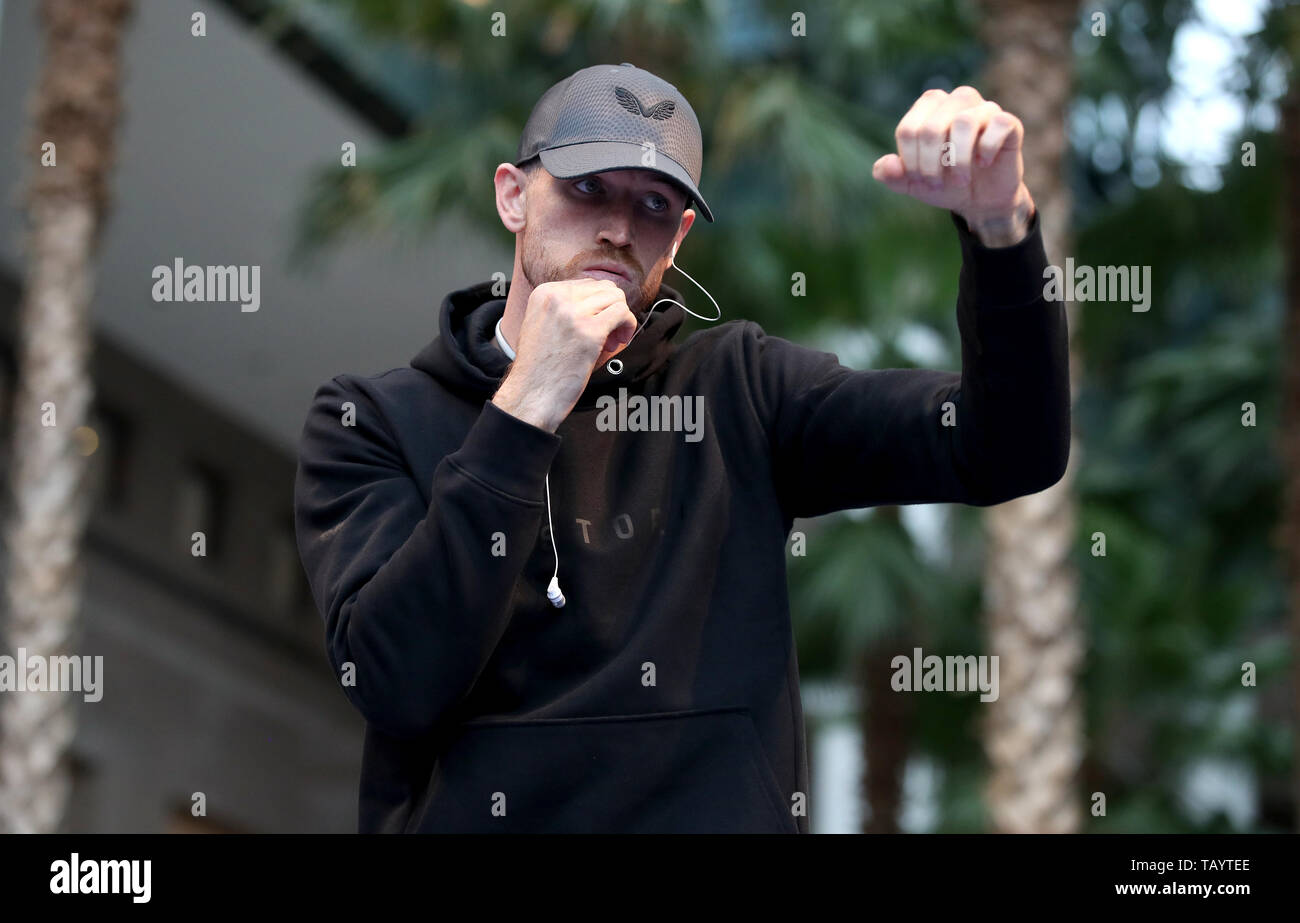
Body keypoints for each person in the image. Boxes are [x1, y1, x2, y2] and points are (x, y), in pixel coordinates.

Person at [293, 62, 1069, 833]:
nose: (619, 229)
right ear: (513, 194)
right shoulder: (374, 417)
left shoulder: (740, 388)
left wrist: (1000, 230)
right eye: (587, 187)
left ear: (680, 239)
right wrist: (526, 406)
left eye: (656, 205)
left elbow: (1007, 448)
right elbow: (393, 679)